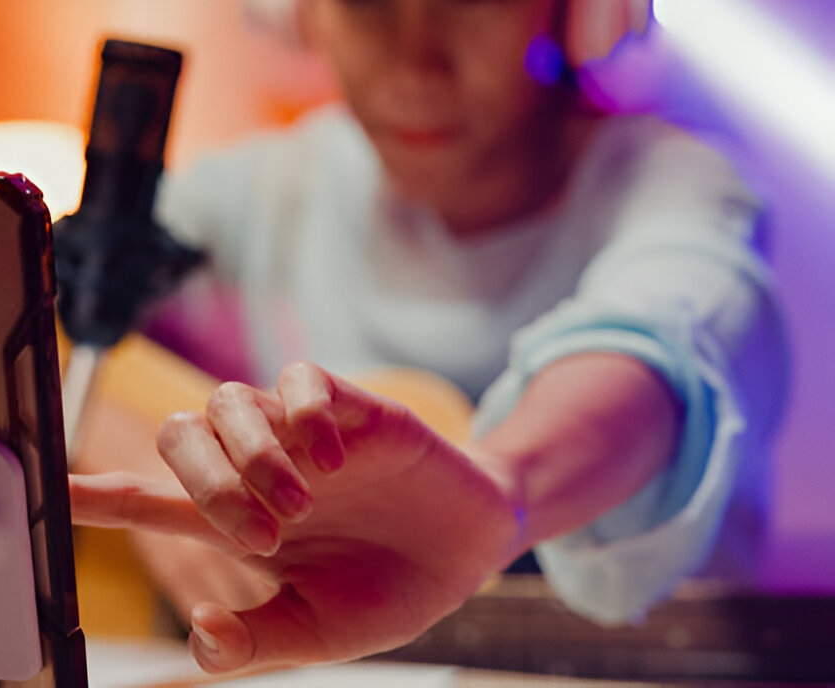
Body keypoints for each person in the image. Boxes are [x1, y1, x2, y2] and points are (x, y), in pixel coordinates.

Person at [68, 0, 789, 675]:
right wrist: (137, 449)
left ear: (577, 12)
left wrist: (503, 492)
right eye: (366, 0)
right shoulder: (266, 186)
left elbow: (653, 339)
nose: (416, 64)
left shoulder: (679, 185)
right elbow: (22, 320)